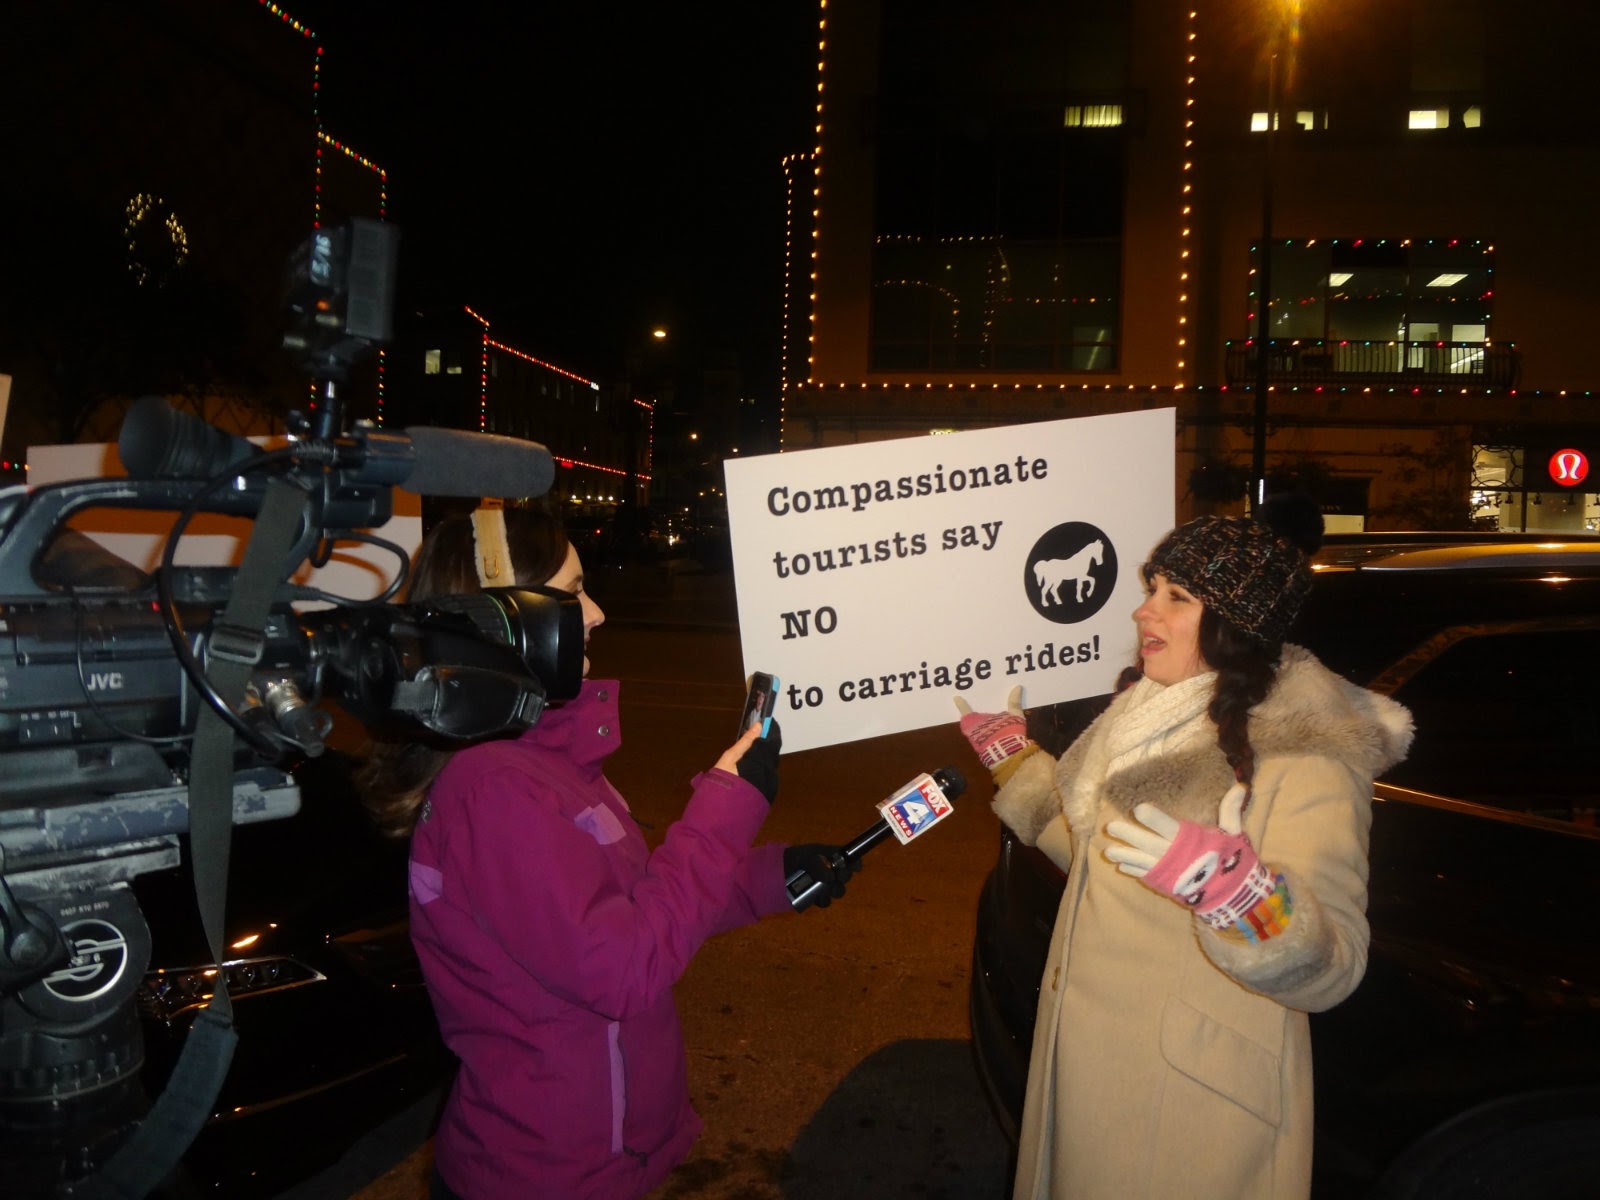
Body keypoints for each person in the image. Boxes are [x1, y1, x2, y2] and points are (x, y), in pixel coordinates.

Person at [359, 503, 855, 1200]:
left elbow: (638, 906)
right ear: (498, 623)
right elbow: (621, 967)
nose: (594, 612)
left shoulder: (540, 764)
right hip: (540, 1177)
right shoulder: (492, 789)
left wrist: (768, 880)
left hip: (600, 1161)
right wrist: (727, 799)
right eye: (569, 595)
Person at [956, 513, 1413, 1199]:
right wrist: (1013, 760)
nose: (1144, 609)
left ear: (1233, 621)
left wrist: (1244, 899)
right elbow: (1104, 857)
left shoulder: (1307, 750)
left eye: (1177, 597)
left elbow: (1333, 967)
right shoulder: (1151, 710)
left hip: (1190, 1102)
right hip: (1095, 1061)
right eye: (1153, 588)